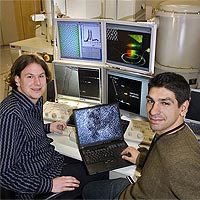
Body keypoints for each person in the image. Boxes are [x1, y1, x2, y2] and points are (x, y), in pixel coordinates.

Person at [0, 54, 108, 199]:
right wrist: (50, 185)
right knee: (102, 170)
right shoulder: (10, 115)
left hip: (50, 163)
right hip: (36, 182)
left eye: (41, 76)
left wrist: (47, 128)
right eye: (30, 77)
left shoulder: (33, 100)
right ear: (17, 79)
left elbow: (24, 133)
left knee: (96, 161)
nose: (37, 83)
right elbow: (4, 174)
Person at [82, 72, 200, 199]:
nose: (153, 111)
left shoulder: (184, 162)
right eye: (150, 101)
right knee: (88, 190)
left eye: (165, 103)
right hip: (136, 189)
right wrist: (141, 158)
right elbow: (162, 164)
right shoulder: (167, 131)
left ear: (183, 108)